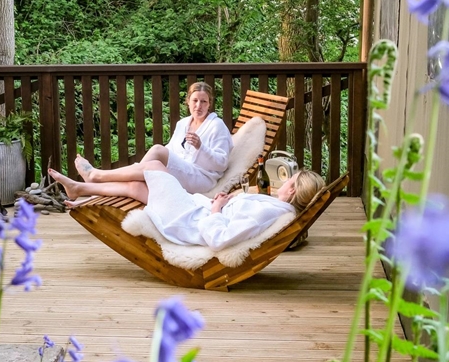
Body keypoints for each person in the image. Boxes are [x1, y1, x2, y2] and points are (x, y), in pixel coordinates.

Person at [49, 167, 325, 251]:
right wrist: (225, 202)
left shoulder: (272, 212)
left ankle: (95, 176)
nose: (284, 181)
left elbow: (220, 238)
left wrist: (217, 208)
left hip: (190, 223)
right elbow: (239, 217)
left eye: (289, 179)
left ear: (293, 190)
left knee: (153, 168)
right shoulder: (277, 208)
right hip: (197, 211)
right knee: (137, 188)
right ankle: (81, 189)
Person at [75, 81, 232, 194]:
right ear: (188, 102)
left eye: (203, 101)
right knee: (142, 179)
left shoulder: (217, 126)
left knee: (157, 151)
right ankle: (94, 183)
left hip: (201, 179)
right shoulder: (183, 123)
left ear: (209, 104)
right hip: (182, 171)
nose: (198, 106)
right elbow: (171, 150)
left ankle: (98, 176)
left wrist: (201, 147)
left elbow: (222, 163)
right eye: (195, 100)